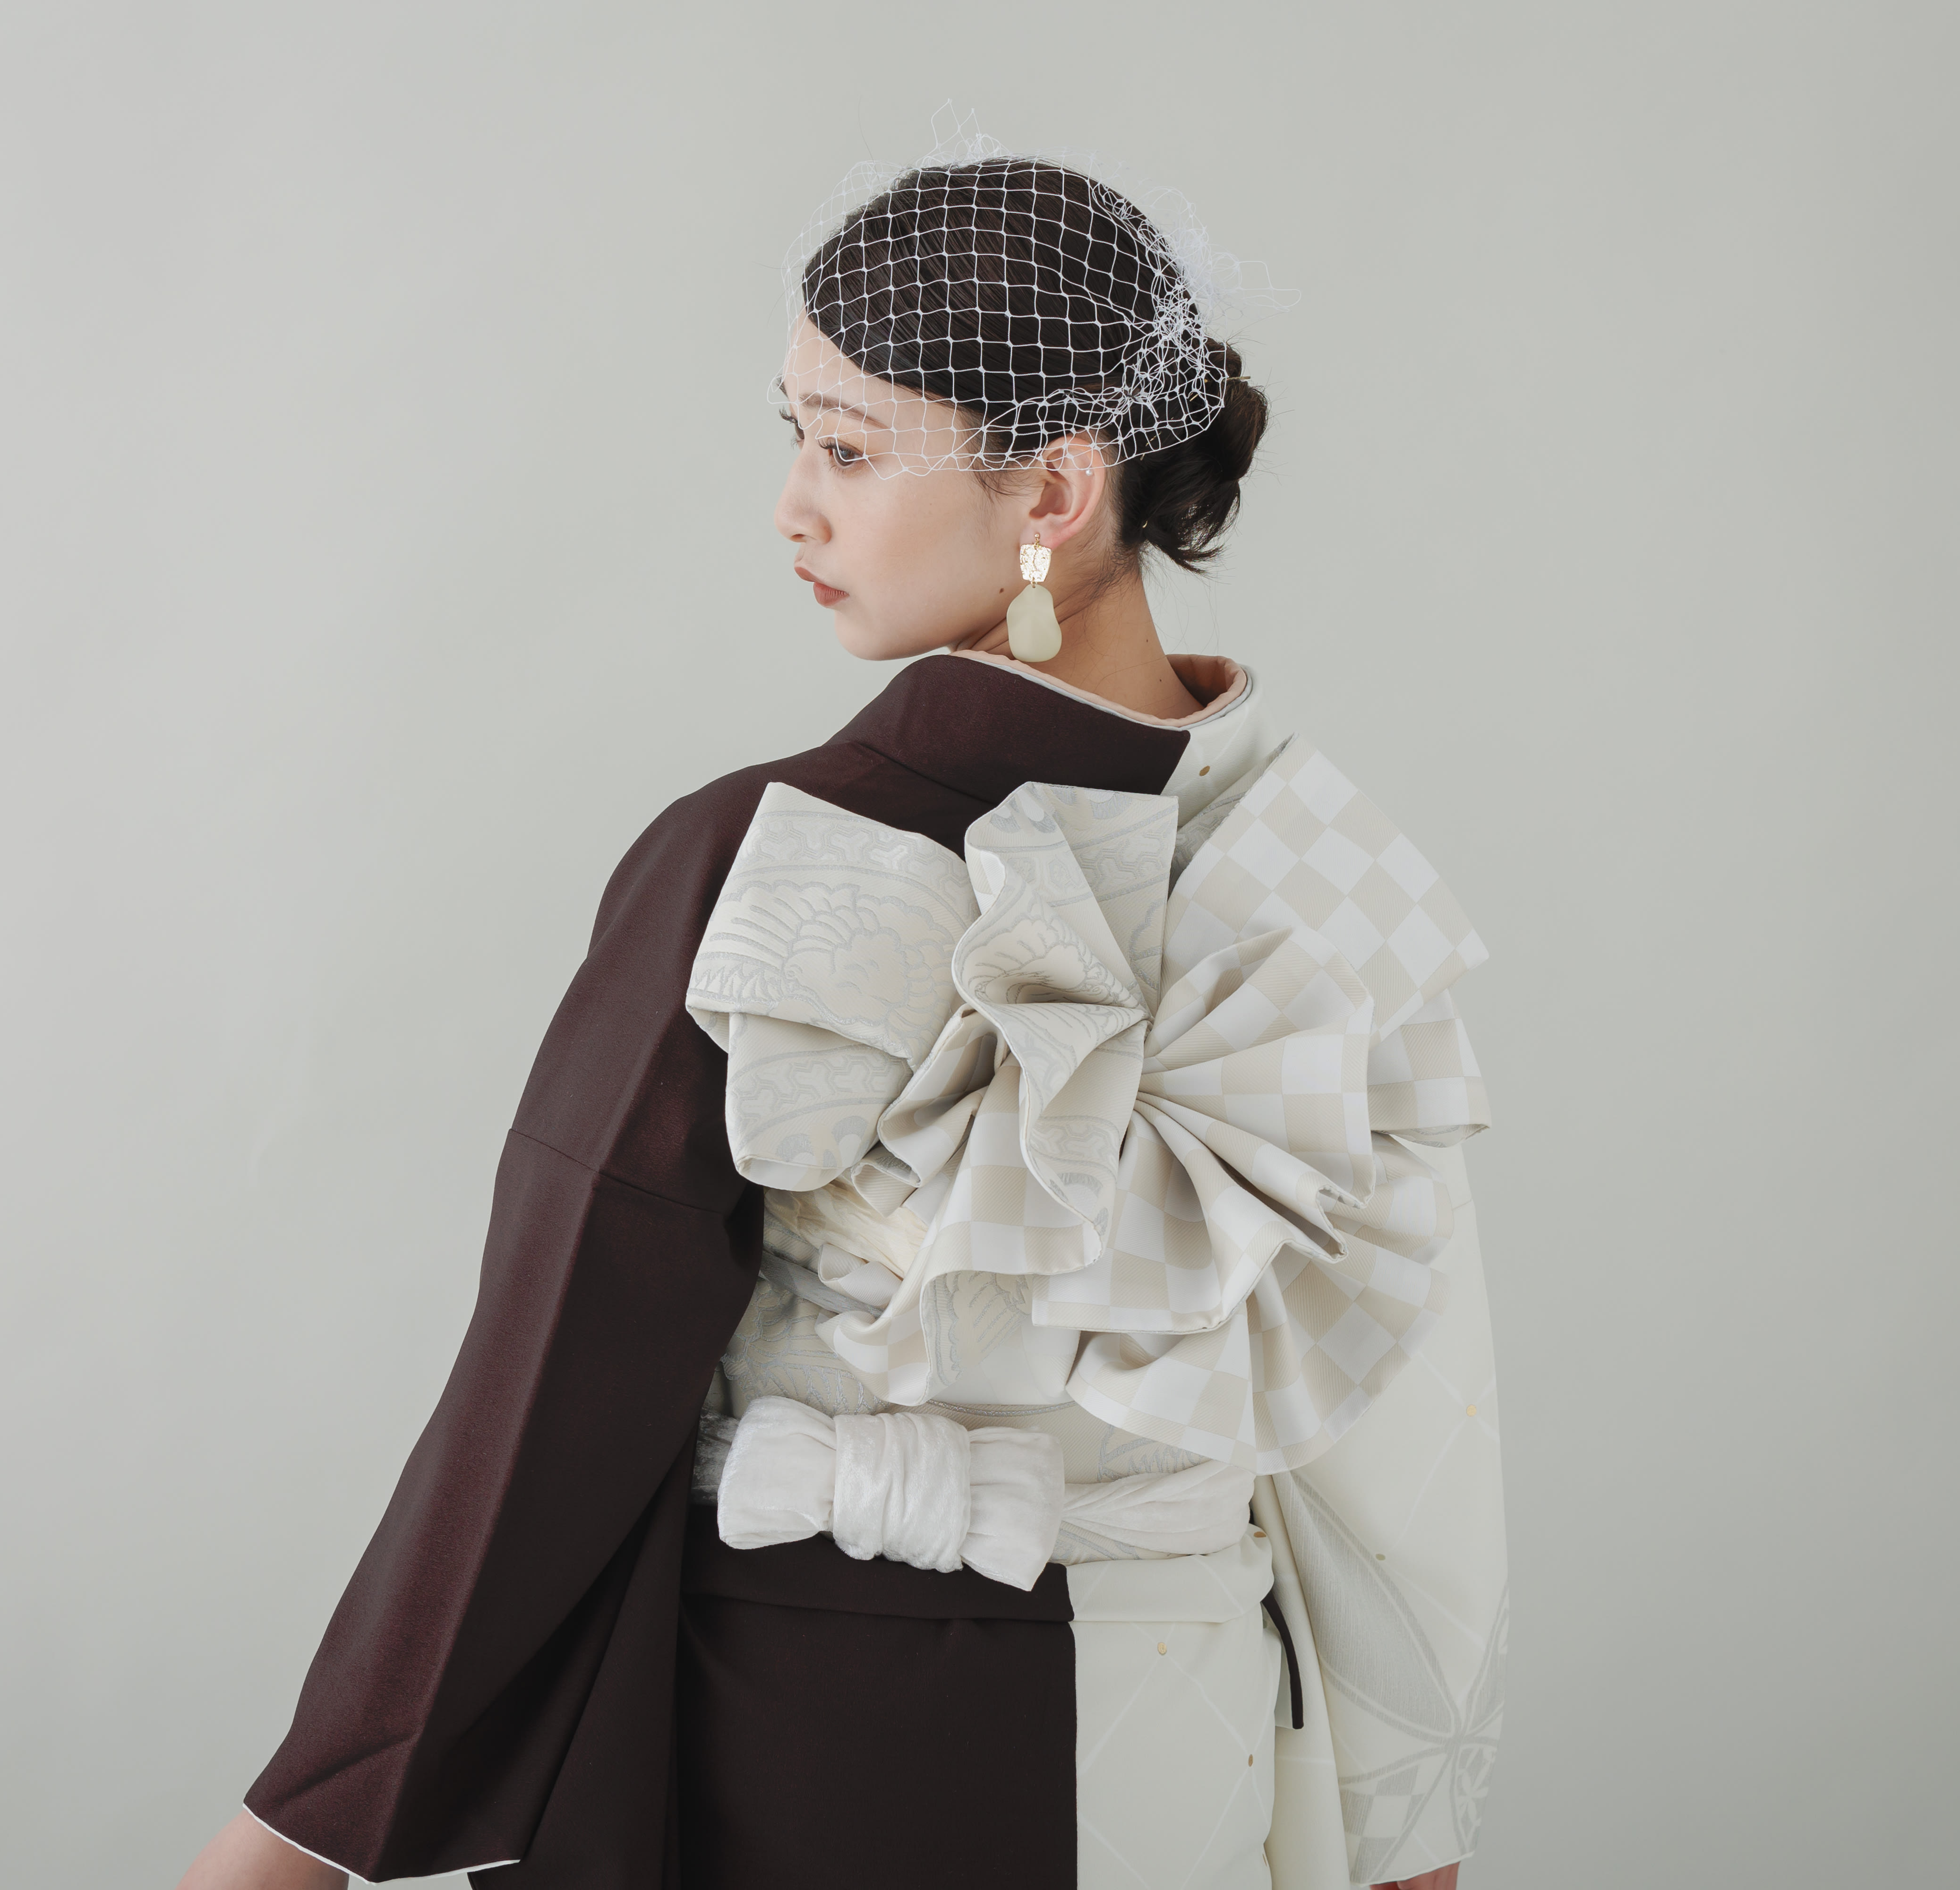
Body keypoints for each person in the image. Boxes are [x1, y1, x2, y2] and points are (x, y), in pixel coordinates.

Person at [179, 141, 1503, 1890]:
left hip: (812, 1740)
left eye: (850, 448)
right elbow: (1405, 1435)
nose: (793, 507)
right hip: (1185, 1753)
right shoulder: (1325, 877)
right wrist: (1408, 1844)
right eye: (795, 436)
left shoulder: (770, 858)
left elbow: (552, 1398)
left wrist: (297, 1837)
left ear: (1055, 489)